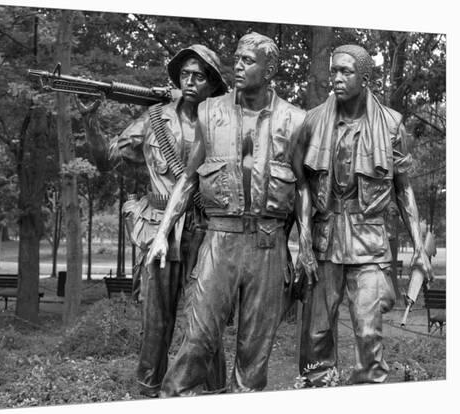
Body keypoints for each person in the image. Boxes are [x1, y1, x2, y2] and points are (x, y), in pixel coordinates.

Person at [147, 32, 313, 396]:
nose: (237, 66)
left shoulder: (296, 120)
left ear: (269, 70)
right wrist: (162, 233)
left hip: (269, 246)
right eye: (236, 58)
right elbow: (189, 179)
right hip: (219, 239)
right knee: (198, 339)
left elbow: (302, 186)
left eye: (247, 60)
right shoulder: (210, 111)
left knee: (254, 359)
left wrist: (306, 249)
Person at [292, 44, 434, 385]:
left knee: (368, 331)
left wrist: (418, 247)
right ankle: (316, 388)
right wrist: (305, 247)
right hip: (325, 238)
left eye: (346, 72)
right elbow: (302, 186)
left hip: (369, 239)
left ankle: (369, 393)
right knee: (316, 333)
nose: (336, 79)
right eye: (334, 71)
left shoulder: (391, 125)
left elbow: (403, 189)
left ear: (366, 78)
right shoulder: (311, 121)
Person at [111, 44, 229, 397]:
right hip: (159, 226)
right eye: (185, 75)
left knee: (206, 319)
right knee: (156, 320)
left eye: (199, 76)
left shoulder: (221, 123)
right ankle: (147, 390)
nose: (190, 81)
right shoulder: (154, 119)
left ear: (212, 84)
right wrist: (89, 122)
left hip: (204, 229)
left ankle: (213, 391)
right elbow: (109, 155)